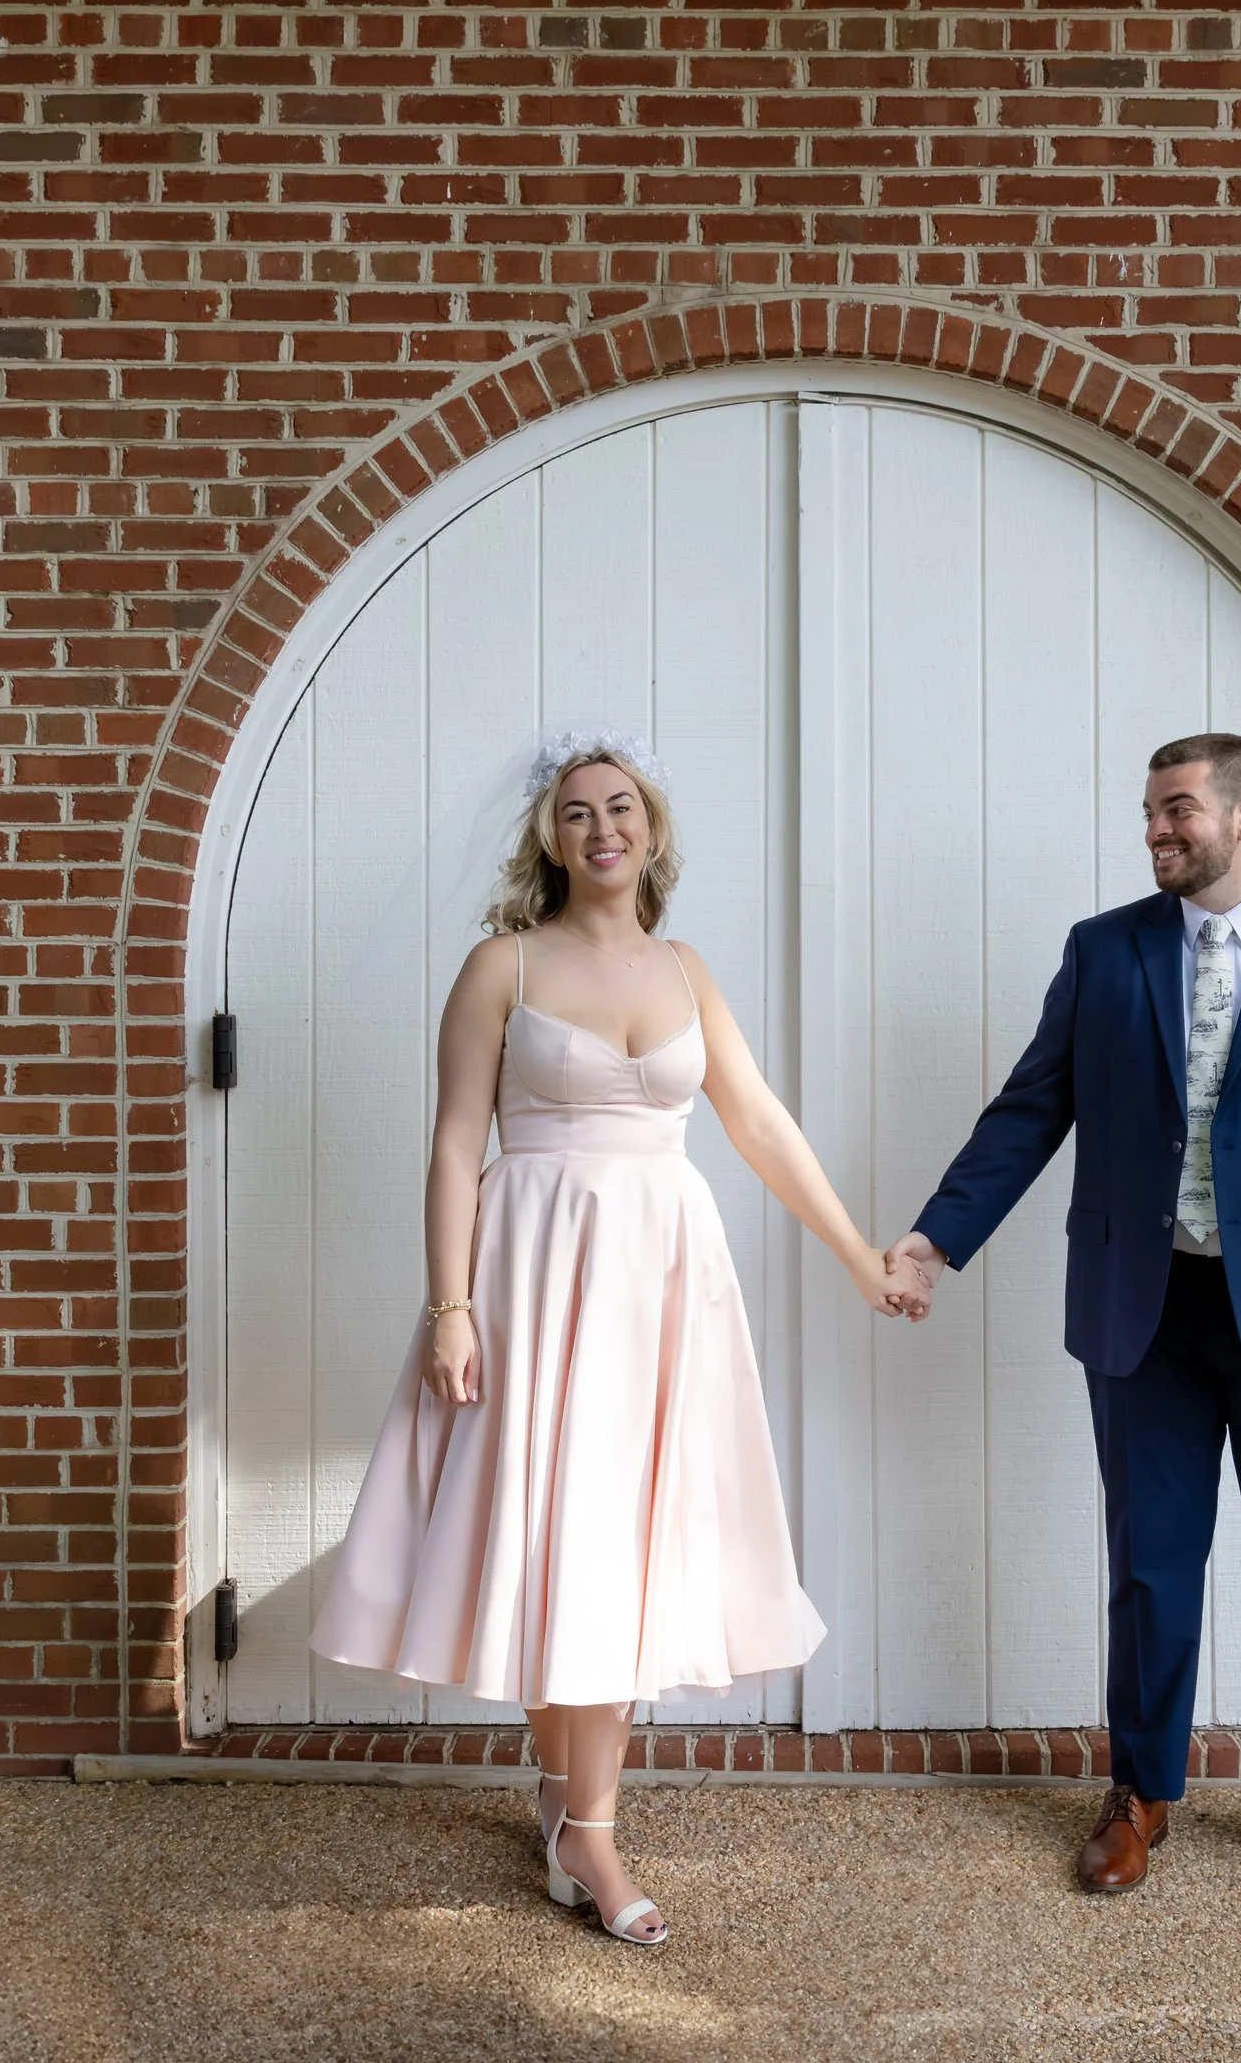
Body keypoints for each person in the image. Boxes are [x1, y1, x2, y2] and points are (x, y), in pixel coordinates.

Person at [310, 730, 908, 1946]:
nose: (601, 828)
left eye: (620, 806)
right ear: (552, 838)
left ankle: (578, 1813)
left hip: (664, 1286)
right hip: (532, 1280)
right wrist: (450, 1306)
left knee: (625, 1541)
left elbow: (757, 1124)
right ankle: (589, 1829)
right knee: (546, 1537)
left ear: (651, 830)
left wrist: (860, 1257)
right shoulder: (503, 968)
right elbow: (452, 1147)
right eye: (577, 812)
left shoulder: (686, 969)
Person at [883, 732, 1241, 1901]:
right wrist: (937, 1238)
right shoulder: (1106, 953)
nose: (1155, 831)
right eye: (1148, 812)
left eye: (1177, 810)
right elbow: (1028, 1113)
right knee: (1150, 1568)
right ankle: (1139, 1793)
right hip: (1146, 1313)